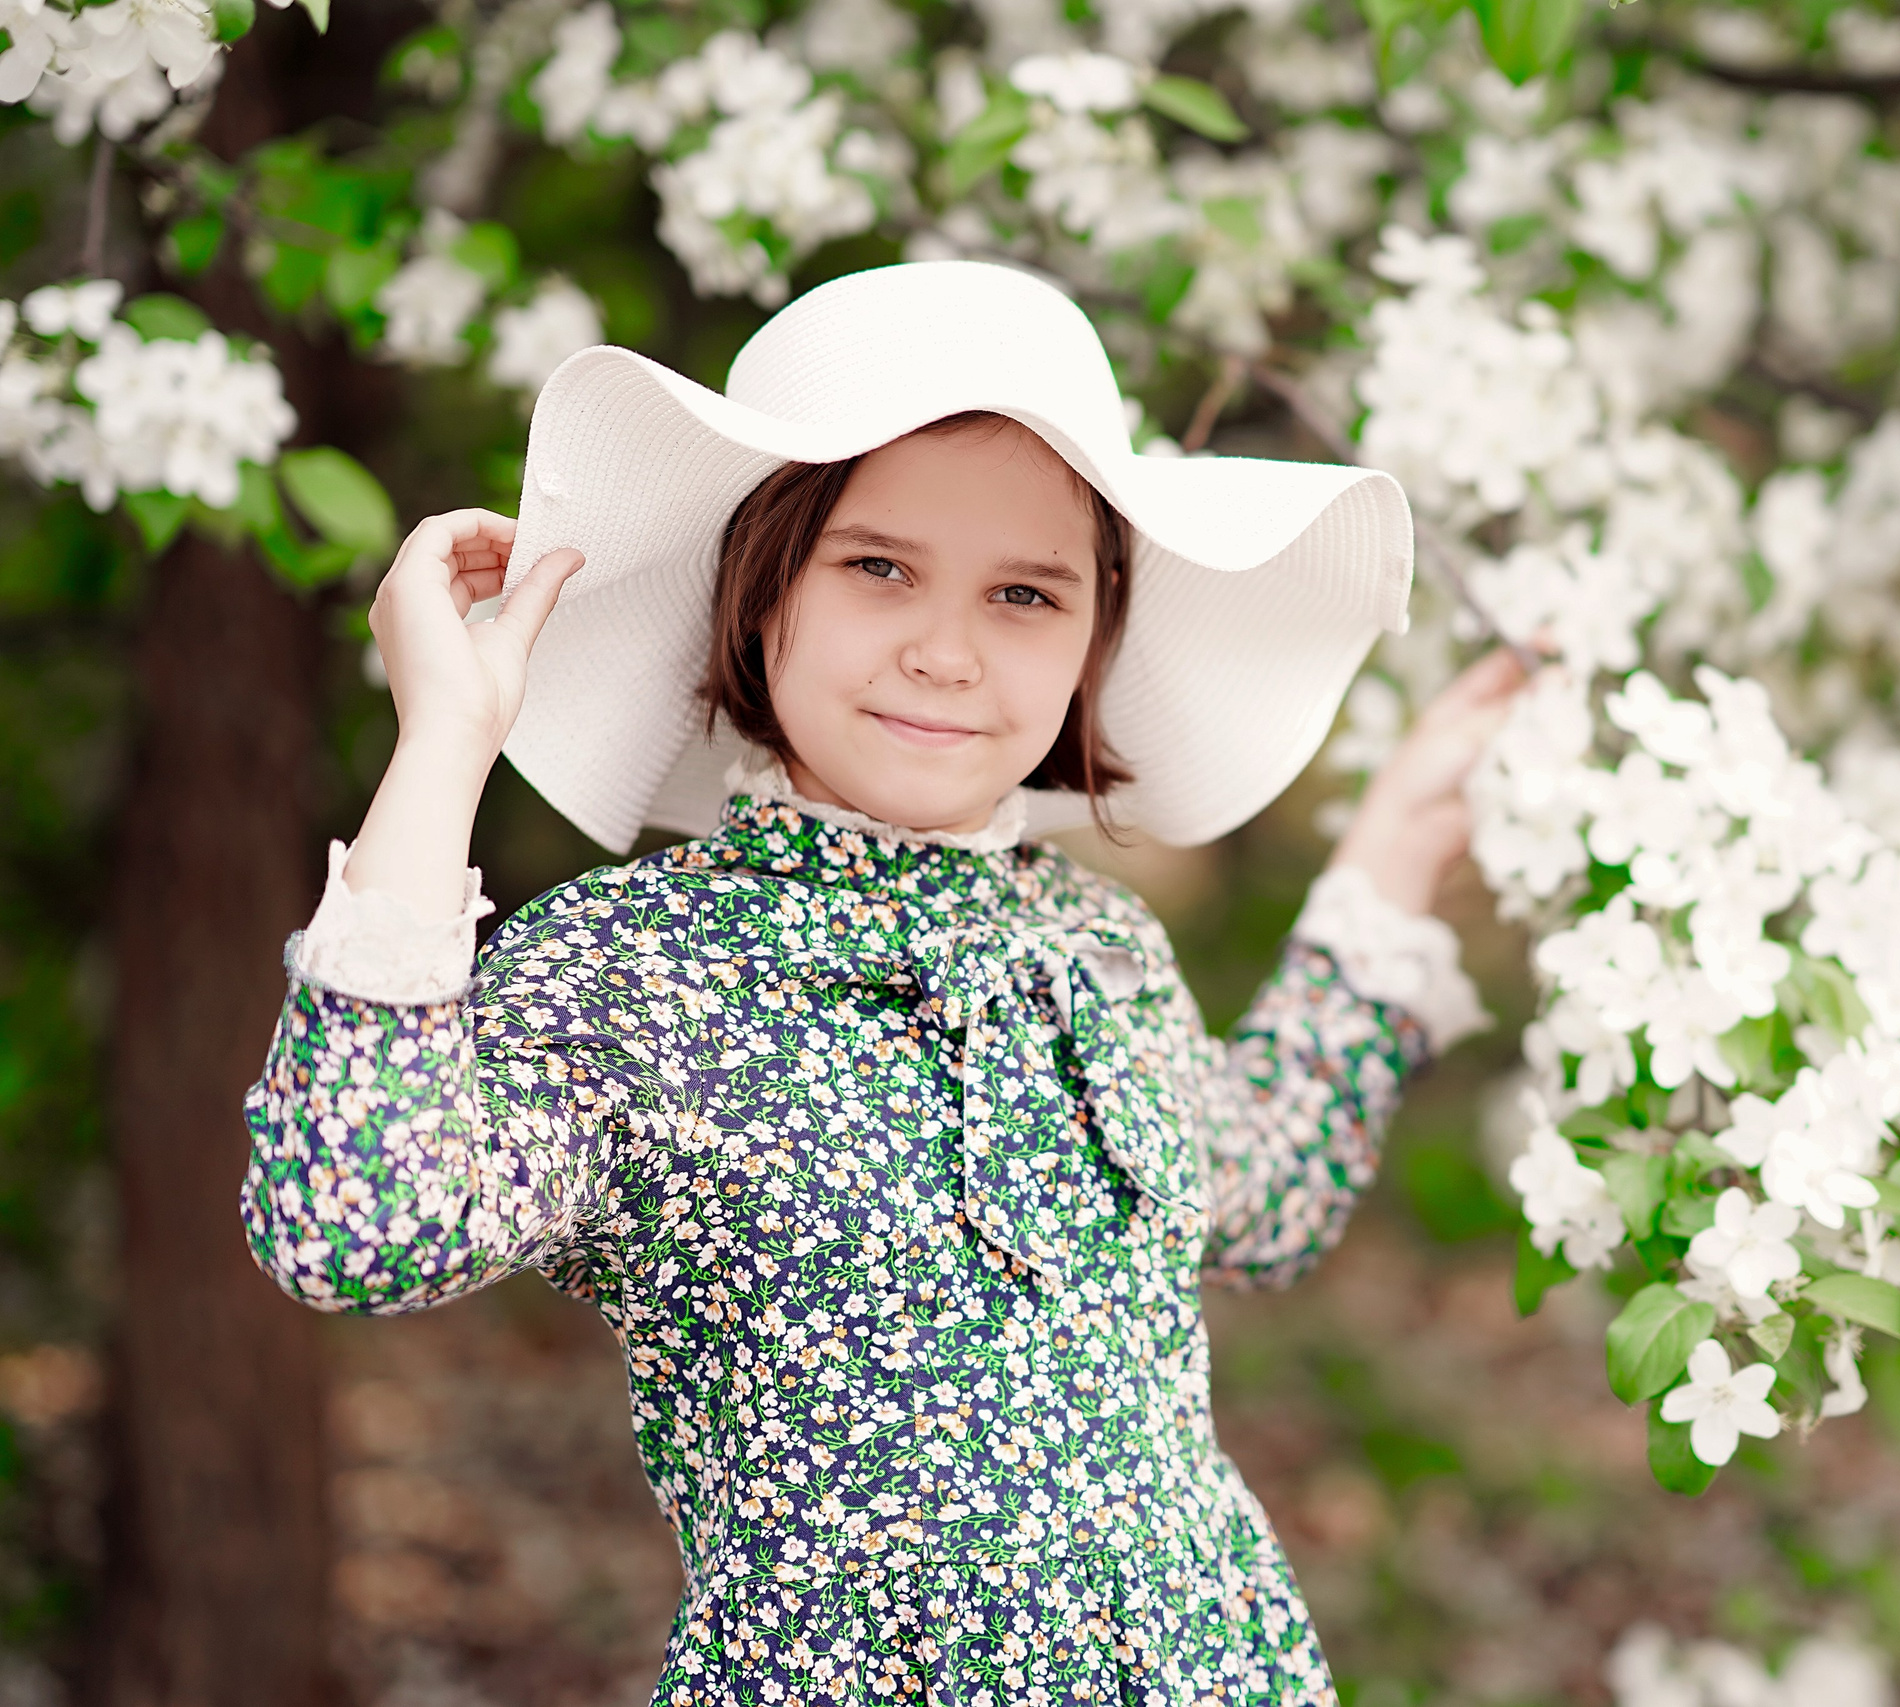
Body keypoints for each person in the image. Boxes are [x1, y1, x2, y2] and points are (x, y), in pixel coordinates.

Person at [242, 261, 1524, 1704]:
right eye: (880, 566)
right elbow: (352, 1226)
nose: (945, 650)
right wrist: (447, 743)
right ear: (761, 585)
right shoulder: (639, 964)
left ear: (1094, 634)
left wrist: (1396, 852)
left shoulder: (1101, 951)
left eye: (1024, 593)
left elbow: (1267, 1192)